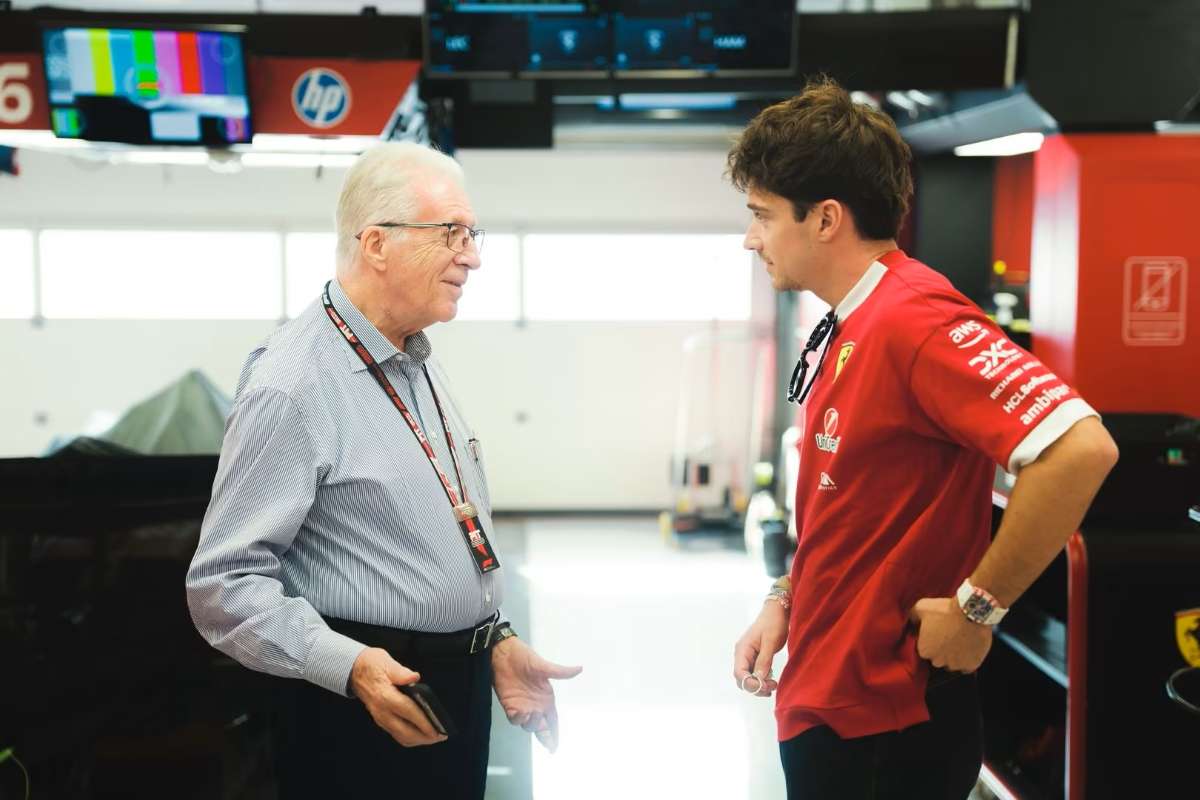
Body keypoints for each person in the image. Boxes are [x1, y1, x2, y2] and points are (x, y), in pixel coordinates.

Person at [727, 78, 1118, 799]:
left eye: (762, 216)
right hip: (829, 690)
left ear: (826, 219)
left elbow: (1081, 449)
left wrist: (978, 607)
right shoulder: (851, 318)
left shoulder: (916, 318)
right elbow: (850, 504)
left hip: (886, 716)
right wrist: (787, 595)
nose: (752, 238)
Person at [186, 142, 581, 799]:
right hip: (361, 706)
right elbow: (223, 585)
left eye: (472, 234)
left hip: (448, 685)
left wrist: (493, 640)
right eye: (452, 232)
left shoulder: (415, 357)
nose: (473, 256)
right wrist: (351, 667)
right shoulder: (294, 383)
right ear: (376, 244)